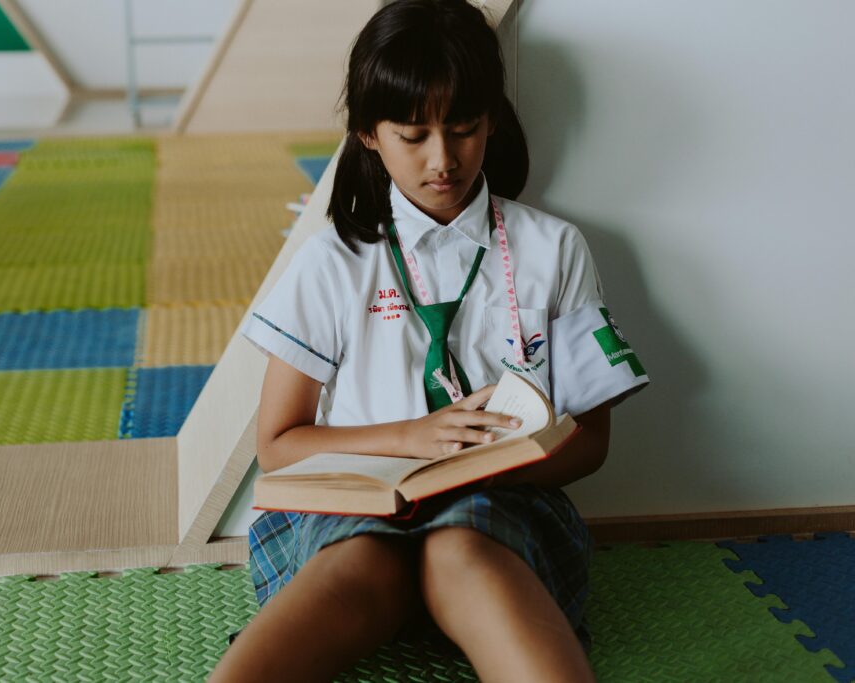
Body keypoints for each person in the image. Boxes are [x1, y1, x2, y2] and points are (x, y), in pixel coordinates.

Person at [209, 1, 649, 681]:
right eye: (412, 135)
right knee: (362, 560)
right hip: (359, 508)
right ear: (367, 134)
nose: (442, 160)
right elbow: (279, 443)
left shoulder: (552, 247)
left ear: (492, 121)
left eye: (464, 129)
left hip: (500, 507)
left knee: (461, 547)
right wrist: (413, 438)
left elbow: (592, 439)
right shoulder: (332, 261)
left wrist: (487, 467)